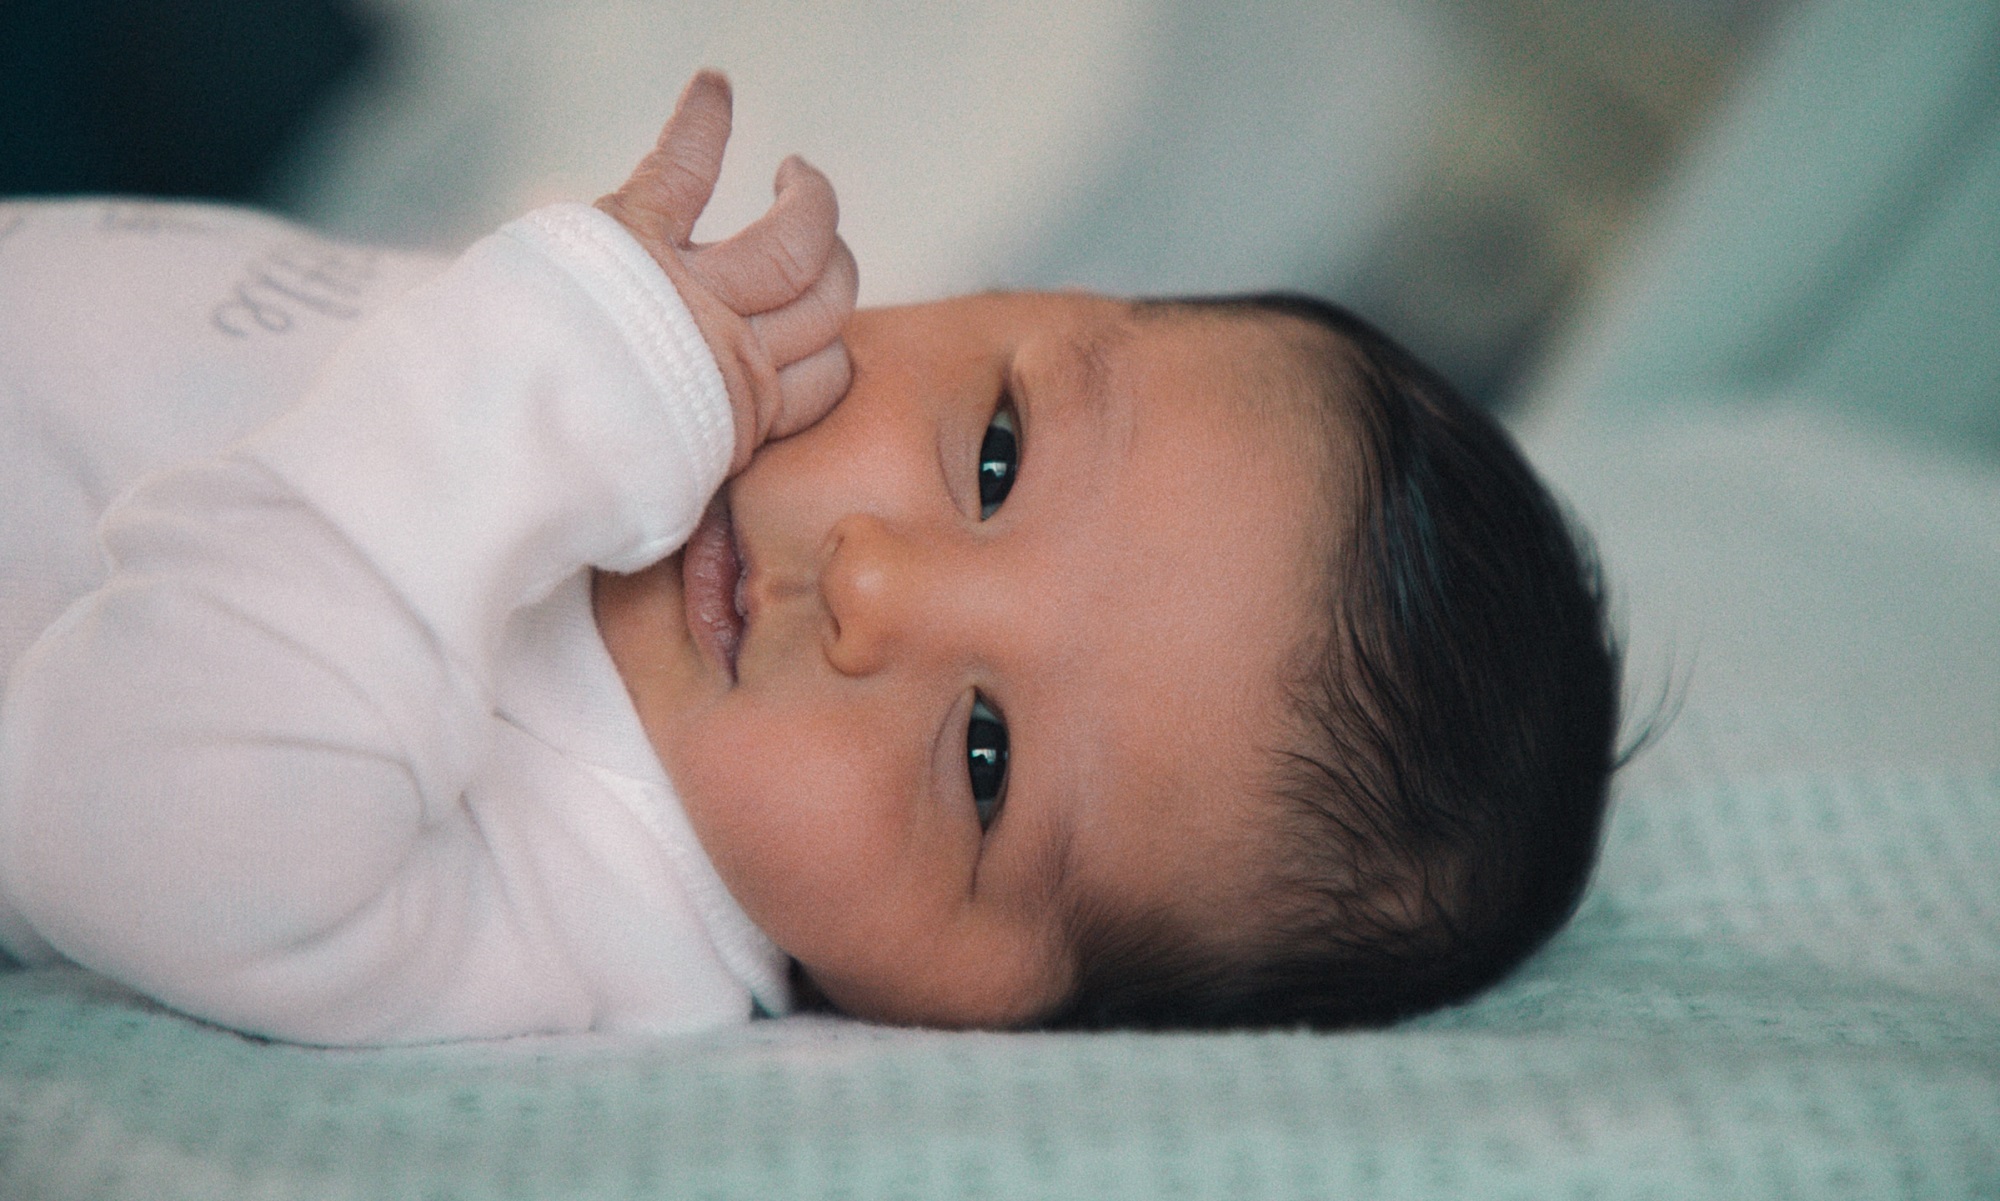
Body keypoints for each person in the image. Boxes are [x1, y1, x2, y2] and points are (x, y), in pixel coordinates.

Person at [0, 72, 1619, 1044]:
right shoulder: (671, 399)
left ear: (980, 1014)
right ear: (1010, 295)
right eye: (997, 453)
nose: (873, 586)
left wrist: (541, 371)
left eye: (988, 759)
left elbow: (106, 807)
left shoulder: (584, 914)